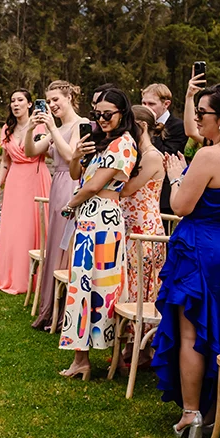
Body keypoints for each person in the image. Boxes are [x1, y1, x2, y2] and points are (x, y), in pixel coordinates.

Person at [151, 84, 220, 438]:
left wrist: (175, 175)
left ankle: (192, 413)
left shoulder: (209, 157)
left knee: (191, 333)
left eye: (202, 114)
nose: (196, 120)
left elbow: (180, 206)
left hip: (199, 249)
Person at [57, 88, 140, 379]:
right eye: (98, 114)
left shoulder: (125, 145)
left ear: (122, 114)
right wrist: (76, 155)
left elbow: (94, 186)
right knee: (80, 285)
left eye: (108, 114)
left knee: (102, 288)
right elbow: (77, 175)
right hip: (88, 220)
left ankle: (108, 353)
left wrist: (69, 205)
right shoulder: (101, 142)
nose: (102, 119)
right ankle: (81, 358)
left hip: (104, 222)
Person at [25, 80, 85, 331]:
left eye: (56, 100)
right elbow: (30, 152)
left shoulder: (80, 124)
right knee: (54, 244)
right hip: (56, 186)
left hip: (72, 185)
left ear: (69, 96)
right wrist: (30, 129)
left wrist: (53, 129)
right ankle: (52, 308)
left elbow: (72, 156)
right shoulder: (55, 127)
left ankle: (66, 312)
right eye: (48, 101)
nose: (51, 105)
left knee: (67, 246)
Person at [118, 104, 166, 367]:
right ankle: (129, 341)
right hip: (128, 225)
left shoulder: (152, 157)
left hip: (144, 229)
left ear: (143, 127)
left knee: (144, 287)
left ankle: (143, 346)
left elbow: (127, 189)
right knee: (129, 283)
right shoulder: (135, 154)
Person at [0, 89, 51, 294]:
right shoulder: (7, 128)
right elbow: (4, 161)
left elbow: (40, 151)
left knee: (30, 226)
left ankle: (30, 280)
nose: (15, 104)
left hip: (35, 177)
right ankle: (9, 277)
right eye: (12, 101)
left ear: (30, 104)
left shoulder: (41, 127)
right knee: (13, 228)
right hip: (15, 180)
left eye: (20, 100)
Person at [141, 83, 187, 213]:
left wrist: (150, 128)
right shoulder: (139, 122)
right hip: (141, 187)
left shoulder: (178, 126)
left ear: (166, 104)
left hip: (164, 194)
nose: (146, 108)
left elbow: (166, 154)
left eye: (151, 104)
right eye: (143, 103)